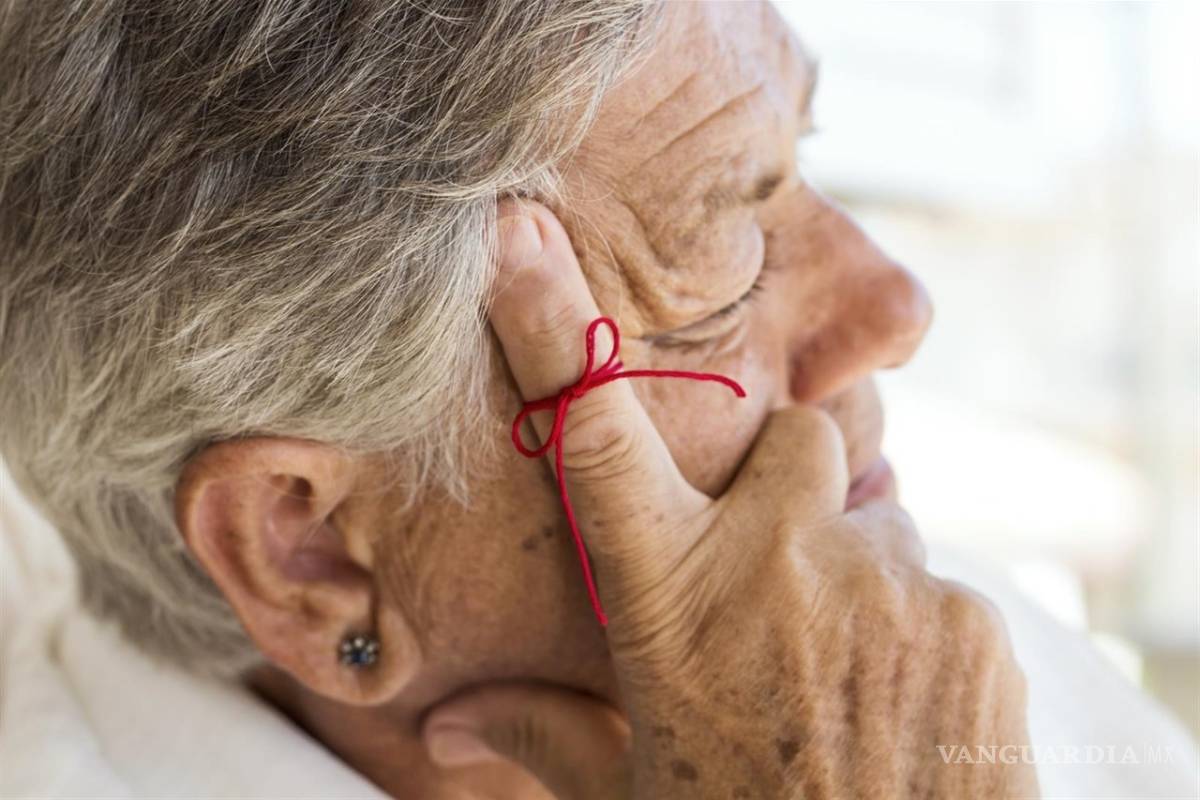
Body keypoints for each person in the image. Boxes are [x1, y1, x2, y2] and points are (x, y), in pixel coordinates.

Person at [1, 2, 1196, 798]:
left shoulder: (909, 660)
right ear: (311, 551)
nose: (895, 305)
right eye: (723, 254)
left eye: (809, 150)